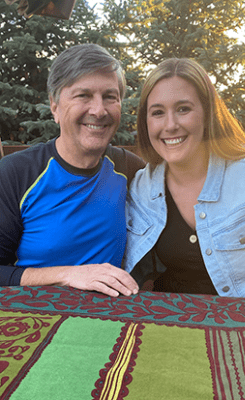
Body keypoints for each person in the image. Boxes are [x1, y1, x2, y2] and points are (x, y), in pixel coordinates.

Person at [0, 43, 145, 296]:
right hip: (33, 318)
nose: (98, 110)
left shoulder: (129, 169)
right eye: (83, 95)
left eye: (110, 97)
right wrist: (68, 274)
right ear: (54, 106)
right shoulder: (16, 174)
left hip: (111, 318)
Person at [124, 57, 245, 298]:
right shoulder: (141, 185)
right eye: (157, 112)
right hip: (168, 321)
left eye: (183, 109)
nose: (170, 125)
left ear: (207, 113)